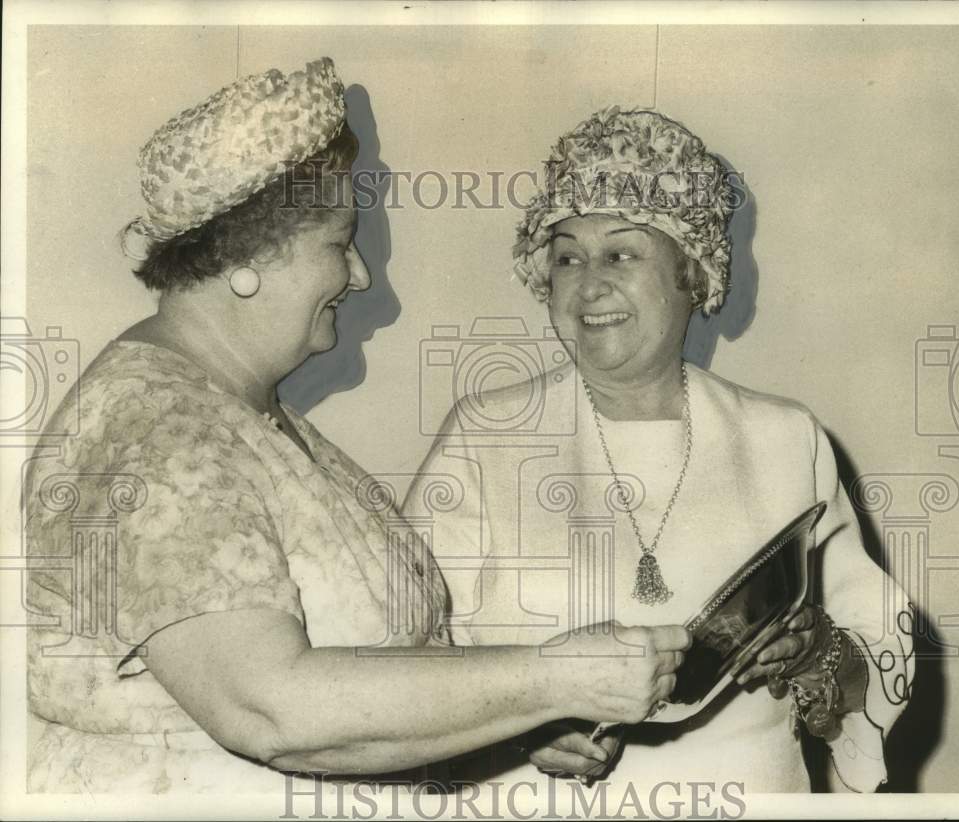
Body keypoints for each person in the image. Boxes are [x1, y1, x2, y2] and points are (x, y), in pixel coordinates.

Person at [23, 62, 690, 794]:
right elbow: (269, 708)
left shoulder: (246, 416)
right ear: (247, 261)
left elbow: (356, 683)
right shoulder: (160, 433)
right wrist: (556, 680)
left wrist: (513, 723)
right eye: (340, 243)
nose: (362, 275)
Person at [405, 106, 915, 794]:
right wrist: (521, 722)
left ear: (693, 273)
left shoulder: (785, 437)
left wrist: (816, 652)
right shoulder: (486, 433)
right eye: (566, 257)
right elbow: (404, 654)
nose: (589, 285)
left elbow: (877, 654)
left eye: (621, 252)